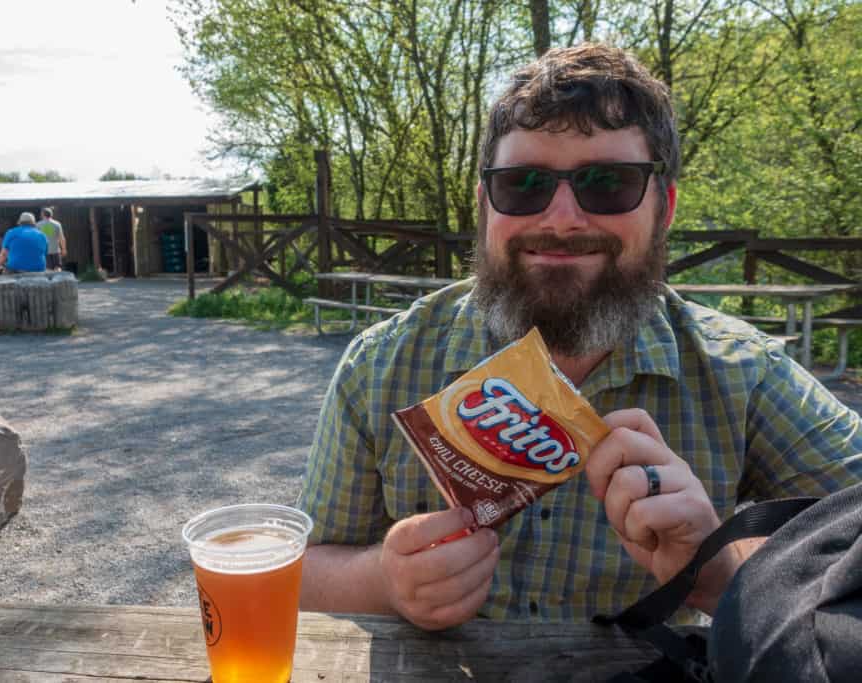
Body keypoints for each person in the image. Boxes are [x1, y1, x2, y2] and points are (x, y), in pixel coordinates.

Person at [297, 43, 862, 631]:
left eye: (607, 183)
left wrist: (720, 572)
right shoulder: (382, 364)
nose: (562, 219)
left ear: (663, 208)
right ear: (485, 206)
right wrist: (386, 582)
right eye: (522, 184)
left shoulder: (742, 373)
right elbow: (300, 570)